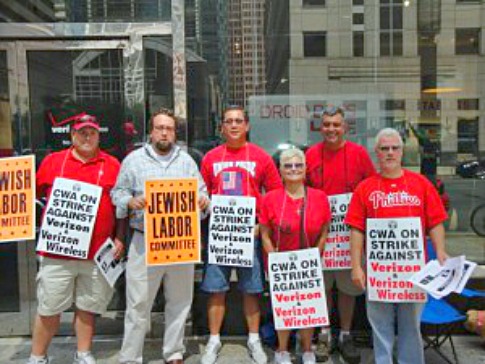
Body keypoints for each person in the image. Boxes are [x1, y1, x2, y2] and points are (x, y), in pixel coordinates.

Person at [111, 108, 209, 364]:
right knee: (137, 303)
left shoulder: (187, 161)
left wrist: (202, 202)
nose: (164, 132)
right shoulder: (133, 160)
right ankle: (130, 357)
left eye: (169, 128)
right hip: (144, 240)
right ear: (151, 132)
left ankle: (174, 352)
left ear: (175, 133)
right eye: (159, 128)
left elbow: (203, 193)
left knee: (180, 301)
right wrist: (131, 201)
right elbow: (116, 194)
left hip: (179, 240)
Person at [346, 127, 449, 364]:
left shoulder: (421, 184)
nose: (390, 153)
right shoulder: (365, 188)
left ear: (402, 152)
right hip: (379, 272)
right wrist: (356, 266)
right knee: (379, 324)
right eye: (384, 149)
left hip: (413, 271)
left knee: (411, 325)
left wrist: (440, 250)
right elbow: (356, 229)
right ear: (377, 153)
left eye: (395, 148)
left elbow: (435, 222)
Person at [28, 115, 123, 364]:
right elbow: (31, 197)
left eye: (92, 132)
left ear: (99, 135)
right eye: (82, 132)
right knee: (49, 307)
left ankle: (83, 353)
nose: (87, 137)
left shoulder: (112, 164)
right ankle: (37, 356)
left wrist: (120, 238)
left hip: (96, 253)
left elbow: (120, 207)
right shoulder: (53, 162)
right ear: (72, 136)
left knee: (87, 307)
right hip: (58, 253)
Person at [200, 105, 283, 364]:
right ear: (221, 127)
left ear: (247, 126)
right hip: (220, 234)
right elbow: (201, 191)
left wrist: (263, 224)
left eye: (238, 121)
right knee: (216, 289)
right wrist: (203, 202)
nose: (234, 125)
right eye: (228, 121)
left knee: (252, 289)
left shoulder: (261, 156)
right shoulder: (210, 157)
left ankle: (254, 338)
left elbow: (275, 194)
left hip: (250, 233)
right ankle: (213, 340)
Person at [305, 105, 375, 363]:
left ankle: (345, 334)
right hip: (320, 235)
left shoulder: (359, 154)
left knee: (346, 288)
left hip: (349, 236)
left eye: (336, 124)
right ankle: (324, 335)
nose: (331, 129)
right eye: (326, 125)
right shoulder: (311, 155)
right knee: (321, 287)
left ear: (345, 127)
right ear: (319, 127)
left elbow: (370, 188)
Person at [260, 148, 331, 364]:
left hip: (308, 264)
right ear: (280, 171)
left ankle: (307, 349)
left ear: (305, 169)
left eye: (298, 165)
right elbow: (265, 233)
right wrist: (275, 261)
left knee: (308, 308)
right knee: (285, 307)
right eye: (288, 165)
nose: (293, 169)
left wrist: (315, 256)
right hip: (281, 264)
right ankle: (282, 351)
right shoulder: (270, 198)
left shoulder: (319, 197)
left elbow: (325, 231)